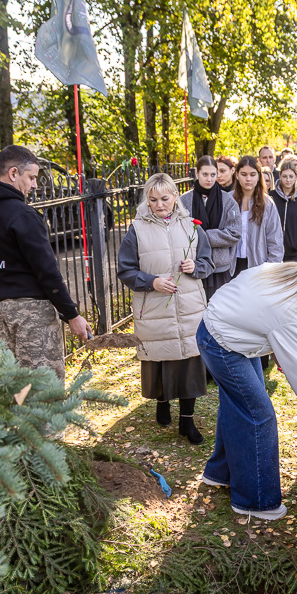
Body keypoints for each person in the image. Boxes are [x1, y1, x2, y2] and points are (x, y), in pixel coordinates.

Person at [197, 237, 297, 520]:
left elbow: (260, 310)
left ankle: (219, 473)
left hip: (228, 329)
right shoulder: (290, 310)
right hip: (221, 340)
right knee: (258, 414)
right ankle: (255, 501)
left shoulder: (294, 273)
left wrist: (272, 346)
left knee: (241, 407)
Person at [0, 145, 91, 384]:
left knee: (18, 383)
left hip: (2, 310)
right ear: (13, 173)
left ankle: (21, 422)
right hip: (32, 314)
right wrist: (72, 315)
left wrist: (3, 272)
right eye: (31, 177)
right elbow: (47, 272)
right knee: (44, 387)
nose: (34, 185)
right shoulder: (22, 214)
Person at [117, 174, 214, 443]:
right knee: (162, 359)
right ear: (147, 201)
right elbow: (125, 270)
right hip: (155, 307)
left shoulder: (191, 226)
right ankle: (162, 401)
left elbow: (207, 260)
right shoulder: (137, 229)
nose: (159, 204)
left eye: (165, 198)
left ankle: (187, 422)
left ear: (175, 197)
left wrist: (197, 267)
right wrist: (152, 282)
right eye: (153, 199)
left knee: (190, 363)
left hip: (189, 306)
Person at [180, 156, 242, 301]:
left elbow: (235, 233)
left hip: (219, 267)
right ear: (197, 174)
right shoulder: (184, 200)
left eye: (213, 175)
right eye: (205, 174)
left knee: (219, 312)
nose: (209, 179)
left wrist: (203, 237)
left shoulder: (228, 201)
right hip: (193, 266)